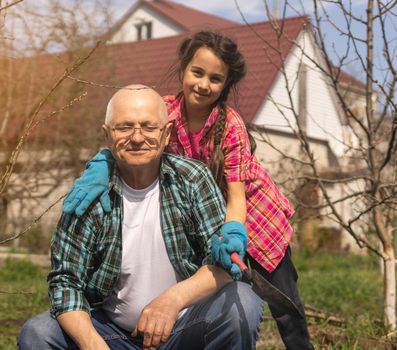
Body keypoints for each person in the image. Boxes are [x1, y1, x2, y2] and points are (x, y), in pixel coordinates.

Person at [63, 31, 314, 350]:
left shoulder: (229, 124)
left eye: (215, 79)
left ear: (225, 85)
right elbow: (133, 135)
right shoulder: (164, 112)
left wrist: (234, 230)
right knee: (216, 292)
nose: (203, 84)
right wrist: (103, 162)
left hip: (255, 219)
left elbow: (237, 197)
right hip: (207, 217)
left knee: (285, 306)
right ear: (183, 70)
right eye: (197, 73)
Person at [19, 85, 263, 350]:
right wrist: (93, 345)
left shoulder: (193, 179)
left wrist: (171, 300)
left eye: (148, 127)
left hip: (184, 328)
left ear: (166, 133)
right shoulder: (88, 195)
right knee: (39, 332)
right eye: (124, 127)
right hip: (114, 336)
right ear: (107, 135)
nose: (137, 137)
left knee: (243, 302)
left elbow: (224, 266)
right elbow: (65, 282)